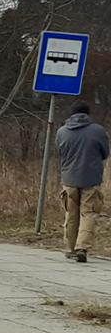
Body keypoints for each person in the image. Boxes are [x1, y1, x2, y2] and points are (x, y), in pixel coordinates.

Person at [57, 102, 108, 263]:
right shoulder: (98, 131)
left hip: (69, 178)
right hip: (91, 178)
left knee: (70, 214)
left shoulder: (62, 131)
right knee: (89, 213)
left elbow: (60, 152)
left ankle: (70, 248)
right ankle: (82, 247)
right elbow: (105, 152)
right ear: (88, 114)